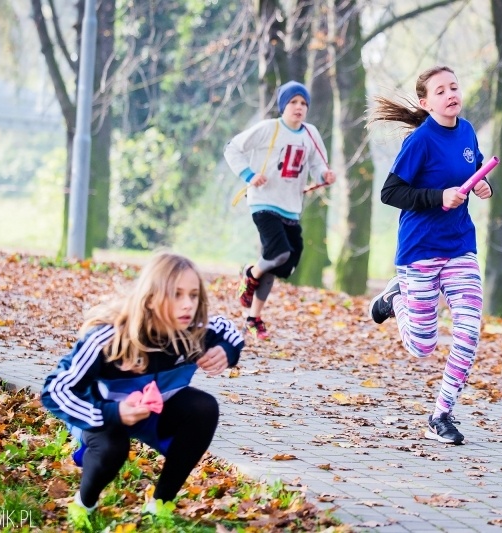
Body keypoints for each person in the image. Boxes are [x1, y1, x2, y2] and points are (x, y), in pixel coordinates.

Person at [41, 251, 244, 526]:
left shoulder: (196, 329)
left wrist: (226, 351)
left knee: (204, 408)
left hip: (155, 412)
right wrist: (113, 413)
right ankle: (84, 504)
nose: (188, 305)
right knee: (114, 447)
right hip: (104, 413)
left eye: (193, 295)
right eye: (176, 294)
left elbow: (229, 330)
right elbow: (54, 390)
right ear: (150, 297)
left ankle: (160, 504)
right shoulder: (109, 338)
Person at [367, 66, 493, 445]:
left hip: (459, 248)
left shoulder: (467, 131)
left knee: (469, 332)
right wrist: (438, 197)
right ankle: (395, 299)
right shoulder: (420, 142)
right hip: (420, 250)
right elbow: (390, 193)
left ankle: (440, 415)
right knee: (422, 346)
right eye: (441, 90)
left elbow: (475, 168)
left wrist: (483, 184)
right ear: (426, 102)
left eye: (454, 86)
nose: (451, 94)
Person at [224, 80, 336, 340]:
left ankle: (253, 317)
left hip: (291, 207)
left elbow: (318, 165)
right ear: (283, 106)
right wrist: (249, 174)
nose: (299, 107)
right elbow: (232, 148)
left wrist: (325, 175)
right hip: (263, 202)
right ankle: (249, 274)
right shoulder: (268, 128)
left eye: (304, 103)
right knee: (278, 253)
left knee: (284, 264)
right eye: (294, 102)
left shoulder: (311, 134)